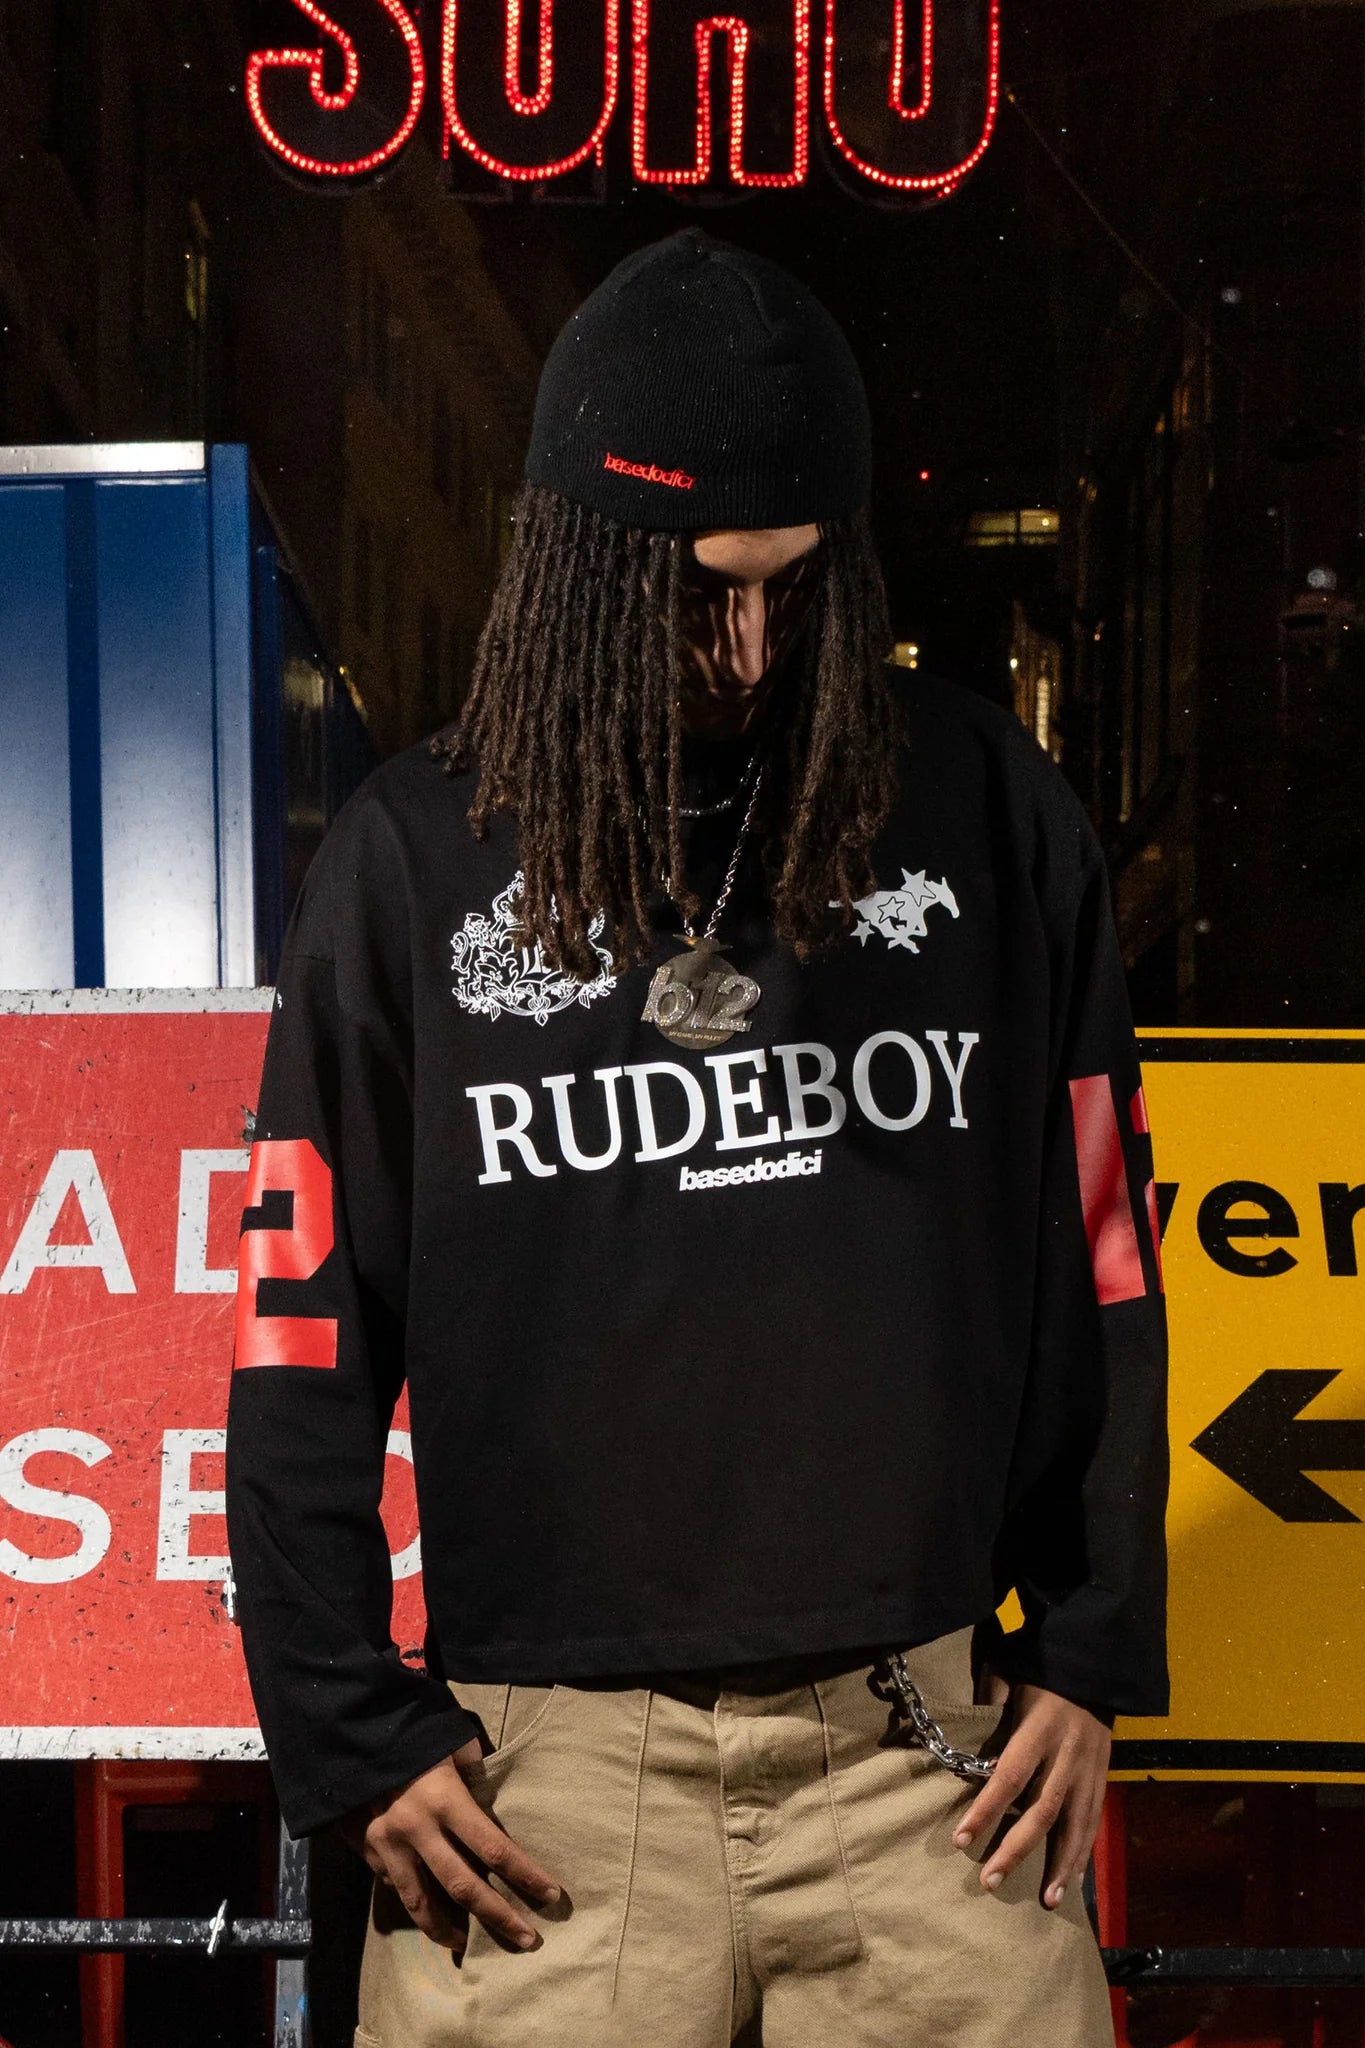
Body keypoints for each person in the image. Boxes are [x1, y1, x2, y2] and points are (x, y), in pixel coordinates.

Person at [225, 226, 1170, 2048]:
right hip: (546, 1783)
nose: (744, 649)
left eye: (792, 590)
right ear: (583, 566)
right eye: (696, 594)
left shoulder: (986, 812)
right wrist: (345, 1721)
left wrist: (1089, 1641)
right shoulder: (416, 861)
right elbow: (298, 1327)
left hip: (924, 1759)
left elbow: (1101, 1255)